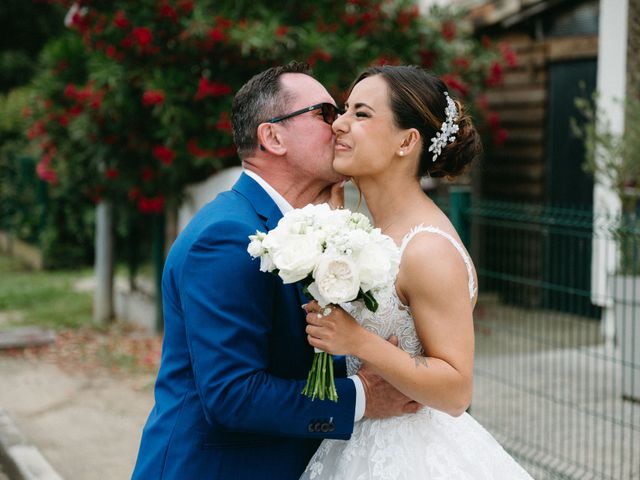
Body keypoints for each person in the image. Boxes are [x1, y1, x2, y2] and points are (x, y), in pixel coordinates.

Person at [131, 62, 419, 480]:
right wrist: (362, 397)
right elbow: (232, 395)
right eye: (324, 113)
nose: (339, 124)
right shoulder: (228, 237)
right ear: (273, 137)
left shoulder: (301, 227)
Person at [300, 65, 534, 479]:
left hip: (412, 455)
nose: (339, 123)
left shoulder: (427, 249)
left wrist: (357, 341)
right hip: (354, 444)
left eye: (361, 114)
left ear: (407, 142)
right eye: (344, 110)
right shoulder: (366, 230)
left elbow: (457, 390)